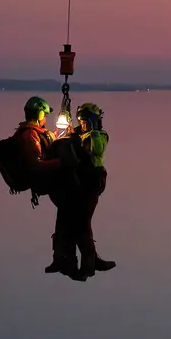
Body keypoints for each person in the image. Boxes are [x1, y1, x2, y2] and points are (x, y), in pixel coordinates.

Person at [45, 102, 116, 280]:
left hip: (91, 183)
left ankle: (88, 266)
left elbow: (95, 148)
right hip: (77, 183)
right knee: (67, 222)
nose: (83, 123)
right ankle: (64, 260)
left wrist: (83, 135)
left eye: (86, 120)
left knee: (82, 224)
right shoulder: (77, 133)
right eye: (81, 120)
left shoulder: (98, 136)